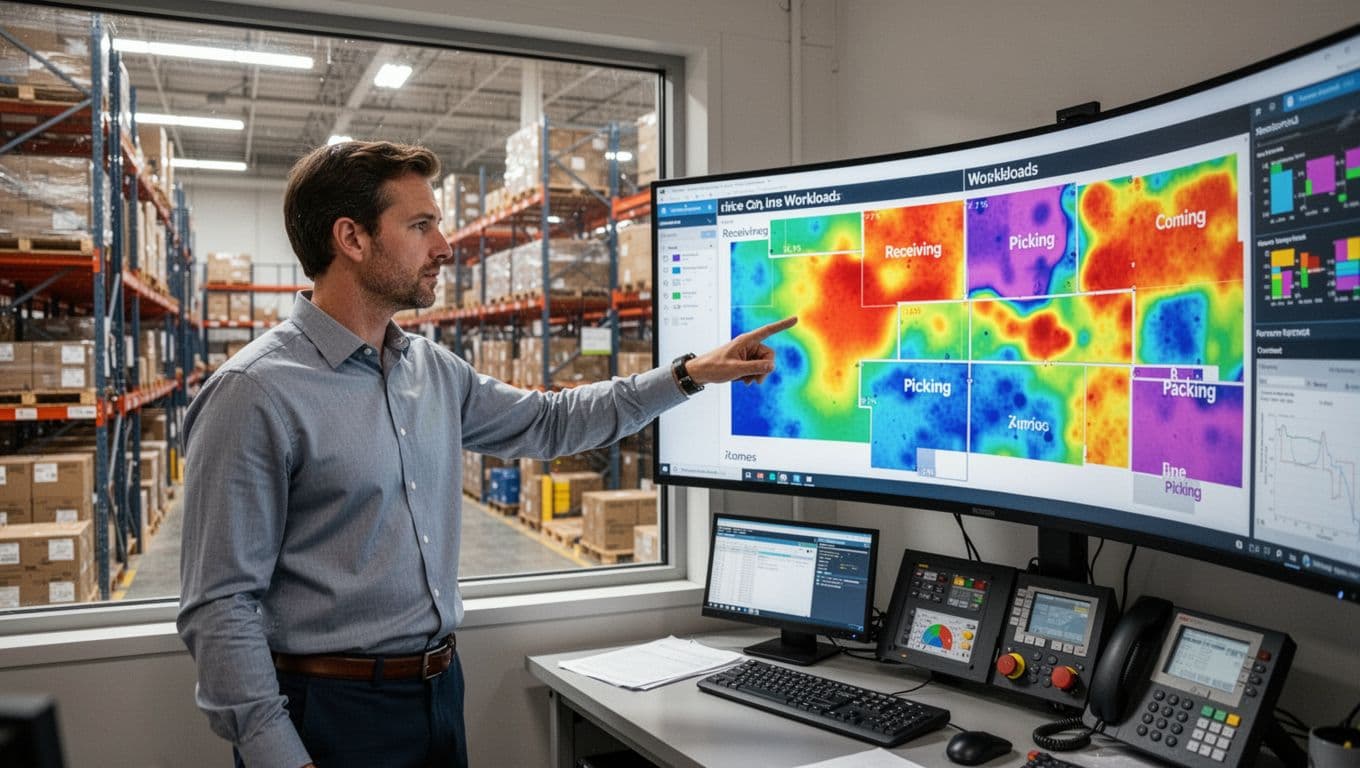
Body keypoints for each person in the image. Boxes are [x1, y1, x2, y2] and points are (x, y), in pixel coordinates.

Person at [176, 140, 796, 768]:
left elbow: (550, 422)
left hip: (440, 694)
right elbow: (220, 604)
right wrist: (279, 757)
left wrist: (691, 373)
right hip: (332, 715)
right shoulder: (254, 393)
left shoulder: (432, 371)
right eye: (421, 226)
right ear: (352, 239)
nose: (444, 246)